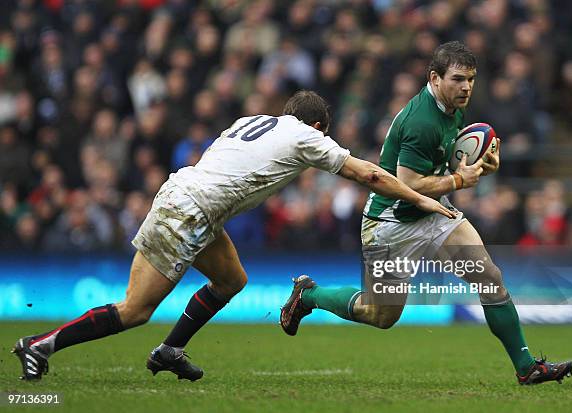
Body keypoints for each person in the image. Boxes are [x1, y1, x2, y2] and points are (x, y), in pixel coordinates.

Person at [12, 91, 456, 382]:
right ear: (319, 126)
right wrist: (420, 198)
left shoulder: (250, 120)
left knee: (232, 281)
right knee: (136, 309)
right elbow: (370, 173)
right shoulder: (307, 137)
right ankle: (39, 345)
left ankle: (170, 350)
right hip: (191, 212)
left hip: (193, 203)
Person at [280, 42, 572, 386]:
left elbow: (445, 164)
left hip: (434, 215)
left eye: (471, 79)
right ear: (434, 78)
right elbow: (408, 184)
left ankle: (527, 367)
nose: (466, 87)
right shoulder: (421, 120)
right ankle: (309, 295)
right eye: (458, 79)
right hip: (390, 223)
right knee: (379, 314)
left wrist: (479, 168)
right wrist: (457, 180)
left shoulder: (453, 108)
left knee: (489, 278)